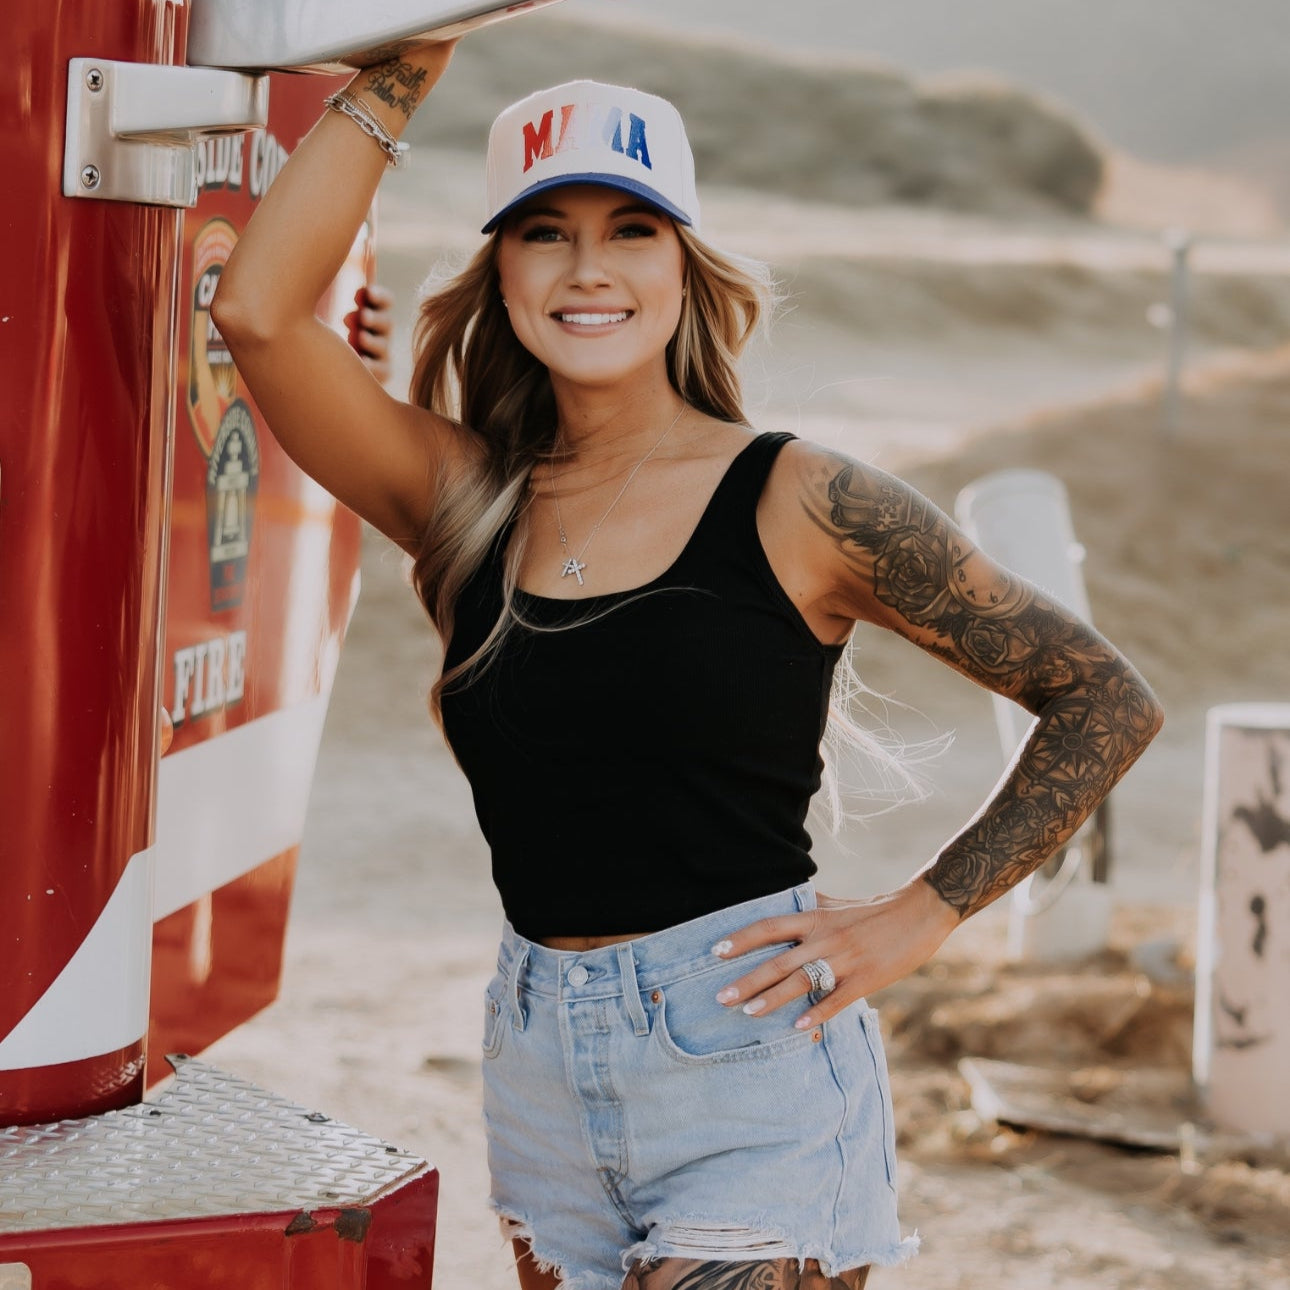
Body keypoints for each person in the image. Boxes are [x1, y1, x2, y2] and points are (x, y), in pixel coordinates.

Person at [212, 39, 1163, 1290]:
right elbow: (258, 313)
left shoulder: (801, 498)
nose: (590, 267)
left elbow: (1103, 695)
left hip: (751, 1068)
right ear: (499, 273)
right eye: (545, 232)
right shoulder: (466, 500)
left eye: (635, 230)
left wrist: (920, 917)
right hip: (542, 1066)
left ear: (685, 268)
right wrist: (412, 59)